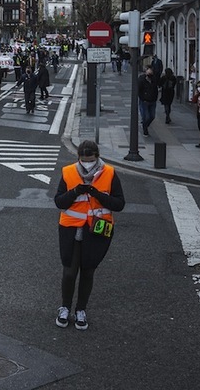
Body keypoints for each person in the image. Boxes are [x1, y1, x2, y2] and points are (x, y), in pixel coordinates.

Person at [53, 140, 125, 330]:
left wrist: (97, 194)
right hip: (70, 230)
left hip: (97, 231)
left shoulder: (109, 173)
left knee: (88, 271)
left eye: (91, 160)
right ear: (78, 158)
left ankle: (81, 310)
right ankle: (65, 308)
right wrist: (75, 191)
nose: (87, 164)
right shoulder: (68, 172)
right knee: (69, 272)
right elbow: (59, 202)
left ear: (97, 157)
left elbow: (119, 204)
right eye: (84, 160)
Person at [138, 66, 159, 136]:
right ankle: (145, 128)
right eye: (148, 71)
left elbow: (156, 88)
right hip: (144, 101)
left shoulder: (154, 79)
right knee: (146, 116)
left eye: (151, 71)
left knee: (152, 116)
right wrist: (142, 97)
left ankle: (145, 125)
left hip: (153, 101)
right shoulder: (141, 79)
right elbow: (138, 89)